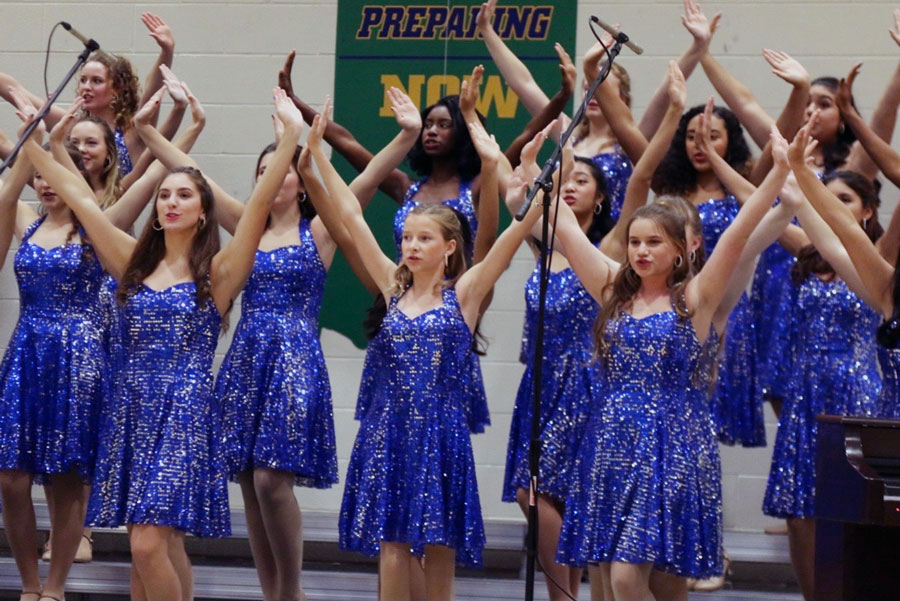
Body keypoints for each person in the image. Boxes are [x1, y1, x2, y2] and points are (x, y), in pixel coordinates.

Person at [19, 87, 303, 601]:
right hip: (129, 408)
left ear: (203, 211)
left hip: (185, 410)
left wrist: (290, 140)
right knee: (153, 549)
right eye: (164, 195)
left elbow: (260, 206)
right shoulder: (130, 260)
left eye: (184, 196)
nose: (171, 202)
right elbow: (80, 197)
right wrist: (34, 137)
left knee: (150, 544)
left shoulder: (218, 272)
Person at [554, 71, 789, 597]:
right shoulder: (613, 287)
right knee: (627, 584)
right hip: (613, 435)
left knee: (639, 576)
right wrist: (547, 173)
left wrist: (778, 177)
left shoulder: (696, 296)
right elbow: (565, 230)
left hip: (675, 438)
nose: (639, 252)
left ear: (679, 251)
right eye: (635, 241)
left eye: (653, 243)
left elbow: (744, 228)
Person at [304, 96, 543, 600]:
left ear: (450, 246)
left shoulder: (467, 293)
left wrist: (509, 171)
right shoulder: (391, 285)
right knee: (392, 543)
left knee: (437, 549)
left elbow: (511, 234)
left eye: (423, 239)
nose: (410, 246)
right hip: (388, 430)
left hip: (441, 432)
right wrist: (312, 153)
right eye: (407, 237)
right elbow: (348, 212)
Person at [0, 13, 178, 172]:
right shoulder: (71, 125)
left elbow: (151, 91)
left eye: (97, 81)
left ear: (117, 89)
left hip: (115, 208)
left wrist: (166, 51)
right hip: (67, 203)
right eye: (83, 80)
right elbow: (14, 89)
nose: (86, 86)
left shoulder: (133, 131)